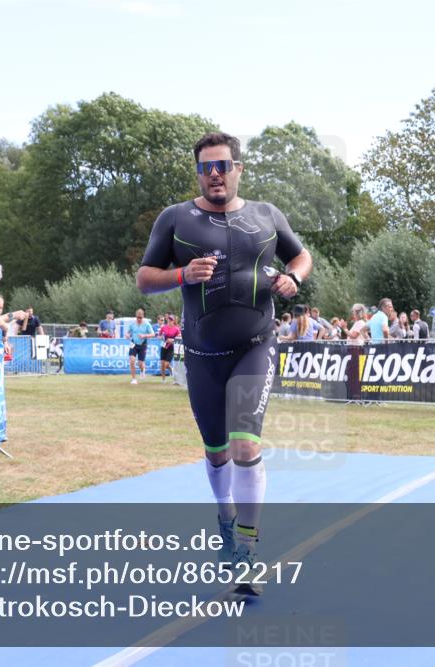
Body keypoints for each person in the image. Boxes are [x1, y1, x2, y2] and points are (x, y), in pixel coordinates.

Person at [136, 131, 311, 595]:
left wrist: (293, 277)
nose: (215, 174)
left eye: (223, 166)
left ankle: (248, 549)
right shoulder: (175, 219)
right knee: (216, 453)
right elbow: (144, 279)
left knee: (245, 447)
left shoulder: (266, 215)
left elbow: (301, 254)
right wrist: (180, 275)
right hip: (201, 356)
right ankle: (226, 520)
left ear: (238, 169)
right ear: (198, 172)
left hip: (255, 344)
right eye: (206, 168)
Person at [126, 308, 154, 384]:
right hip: (133, 344)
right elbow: (128, 332)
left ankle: (142, 370)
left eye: (140, 317)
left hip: (143, 345)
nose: (139, 319)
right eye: (138, 317)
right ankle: (134, 379)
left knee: (140, 363)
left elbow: (153, 334)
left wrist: (144, 335)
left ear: (143, 316)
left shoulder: (147, 324)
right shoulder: (132, 324)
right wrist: (127, 335)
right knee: (132, 360)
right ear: (136, 316)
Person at [158, 314, 181, 382]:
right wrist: (161, 337)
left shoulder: (176, 329)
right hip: (163, 346)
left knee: (166, 364)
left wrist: (172, 340)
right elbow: (159, 336)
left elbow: (179, 338)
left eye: (171, 319)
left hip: (171, 347)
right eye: (169, 319)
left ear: (174, 321)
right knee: (162, 364)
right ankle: (163, 379)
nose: (169, 320)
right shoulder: (163, 327)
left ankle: (170, 368)